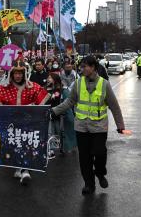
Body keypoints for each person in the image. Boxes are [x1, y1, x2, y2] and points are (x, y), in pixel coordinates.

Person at [52, 55, 126, 196]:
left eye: (85, 66)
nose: (82, 69)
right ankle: (89, 184)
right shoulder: (78, 83)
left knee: (99, 153)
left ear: (93, 67)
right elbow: (69, 102)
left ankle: (99, 173)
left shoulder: (104, 84)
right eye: (81, 66)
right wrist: (54, 112)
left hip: (99, 127)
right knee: (84, 158)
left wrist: (120, 125)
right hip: (81, 127)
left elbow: (114, 107)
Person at [0, 62, 49, 185]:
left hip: (28, 122)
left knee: (26, 144)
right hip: (12, 123)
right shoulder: (4, 87)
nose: (18, 76)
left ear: (24, 74)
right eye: (15, 73)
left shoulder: (32, 86)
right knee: (15, 145)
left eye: (20, 73)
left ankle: (25, 170)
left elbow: (42, 99)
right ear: (11, 74)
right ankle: (18, 168)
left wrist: (32, 106)